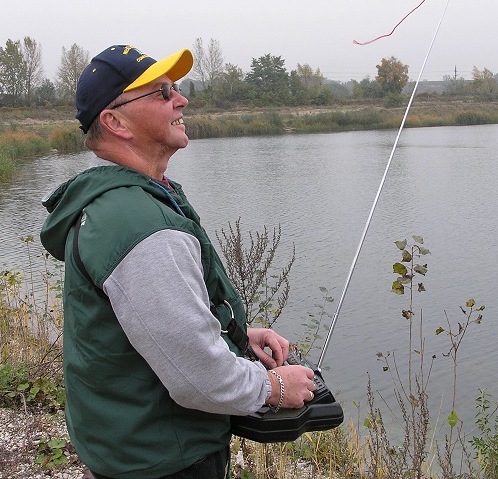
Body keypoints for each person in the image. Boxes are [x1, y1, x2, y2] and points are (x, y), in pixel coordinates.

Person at [40, 45, 315, 479]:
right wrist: (274, 386)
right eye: (162, 93)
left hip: (131, 448)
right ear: (115, 122)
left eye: (177, 89)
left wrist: (235, 332)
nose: (181, 100)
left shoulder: (120, 204)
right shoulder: (138, 223)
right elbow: (197, 378)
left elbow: (148, 323)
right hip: (163, 461)